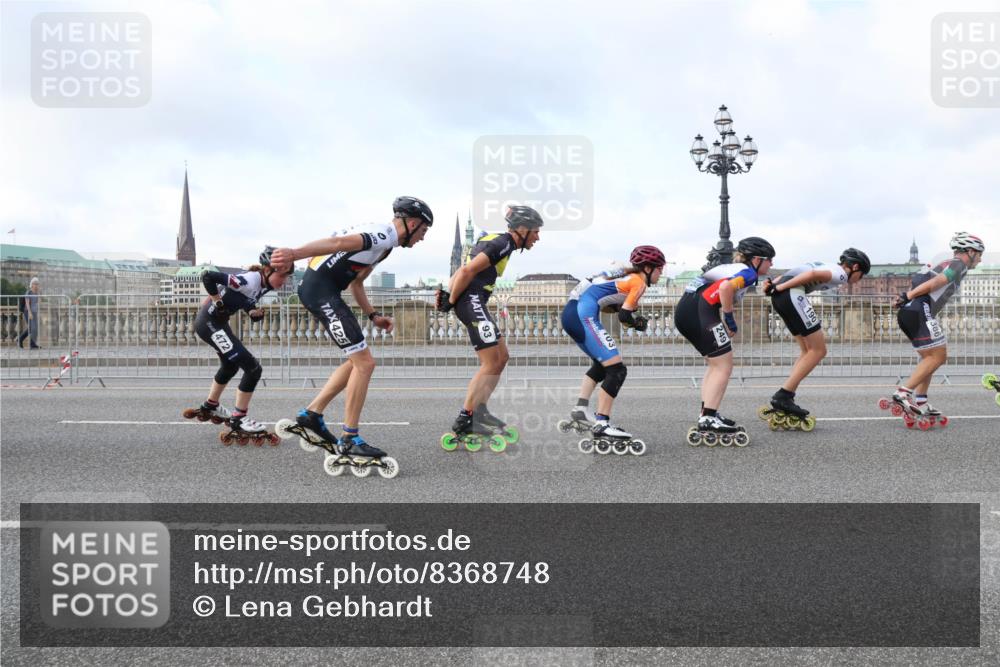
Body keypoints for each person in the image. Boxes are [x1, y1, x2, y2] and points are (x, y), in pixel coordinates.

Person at [270, 196, 433, 471]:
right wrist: (293, 254)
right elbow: (337, 244)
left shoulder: (386, 247)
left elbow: (356, 283)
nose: (423, 238)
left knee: (356, 362)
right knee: (365, 363)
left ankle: (311, 414)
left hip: (326, 292)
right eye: (424, 231)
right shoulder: (382, 235)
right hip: (319, 292)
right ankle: (349, 438)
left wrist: (373, 315)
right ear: (413, 223)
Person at [435, 205, 543, 450]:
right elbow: (466, 270)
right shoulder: (502, 243)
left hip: (474, 301)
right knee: (490, 363)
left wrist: (448, 293)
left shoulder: (500, 241)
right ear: (522, 229)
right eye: (536, 231)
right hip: (471, 300)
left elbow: (463, 267)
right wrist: (451, 300)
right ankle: (466, 418)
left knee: (502, 357)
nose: (537, 237)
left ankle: (480, 410)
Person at [558, 245, 666, 454]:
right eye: (659, 269)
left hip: (571, 313)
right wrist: (637, 323)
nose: (661, 274)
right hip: (583, 315)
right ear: (647, 268)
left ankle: (580, 409)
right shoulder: (638, 282)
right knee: (617, 370)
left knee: (602, 365)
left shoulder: (622, 275)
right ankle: (602, 423)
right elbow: (624, 317)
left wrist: (625, 312)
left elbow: (607, 304)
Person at [183, 247, 291, 445]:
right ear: (268, 270)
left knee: (231, 365)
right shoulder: (248, 280)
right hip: (209, 323)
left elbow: (244, 299)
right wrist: (218, 302)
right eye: (283, 276)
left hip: (216, 324)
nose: (284, 281)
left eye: (287, 277)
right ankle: (239, 418)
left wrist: (252, 312)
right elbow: (208, 276)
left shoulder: (264, 285)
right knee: (253, 368)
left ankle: (211, 405)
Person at [675, 236, 775, 446]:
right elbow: (725, 289)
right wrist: (729, 319)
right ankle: (708, 418)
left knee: (715, 365)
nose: (771, 264)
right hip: (700, 313)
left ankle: (707, 413)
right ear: (757, 260)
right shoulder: (748, 273)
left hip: (689, 311)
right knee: (724, 366)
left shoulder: (733, 267)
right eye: (769, 259)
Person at [760, 248, 871, 427]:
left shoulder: (828, 265)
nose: (860, 279)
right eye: (862, 274)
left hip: (780, 298)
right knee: (819, 351)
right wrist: (779, 286)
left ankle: (787, 395)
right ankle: (783, 396)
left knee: (807, 351)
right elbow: (812, 274)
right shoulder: (841, 274)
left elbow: (792, 273)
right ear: (855, 267)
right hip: (792, 295)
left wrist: (773, 284)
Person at [891, 232, 985, 420]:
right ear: (970, 251)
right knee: (939, 356)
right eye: (979, 254)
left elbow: (919, 280)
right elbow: (937, 281)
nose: (980, 259)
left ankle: (921, 401)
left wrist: (906, 298)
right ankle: (903, 393)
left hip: (910, 312)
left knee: (929, 359)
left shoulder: (943, 263)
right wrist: (908, 296)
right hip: (920, 309)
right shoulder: (958, 264)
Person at [17, 277, 41, 349]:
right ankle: (22, 340)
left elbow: (39, 302)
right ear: (31, 284)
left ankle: (31, 343)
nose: (36, 285)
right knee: (32, 328)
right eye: (35, 284)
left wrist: (39, 293)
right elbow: (27, 303)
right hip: (28, 311)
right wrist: (30, 313)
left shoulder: (37, 293)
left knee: (34, 328)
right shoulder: (28, 292)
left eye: (37, 284)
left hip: (34, 312)